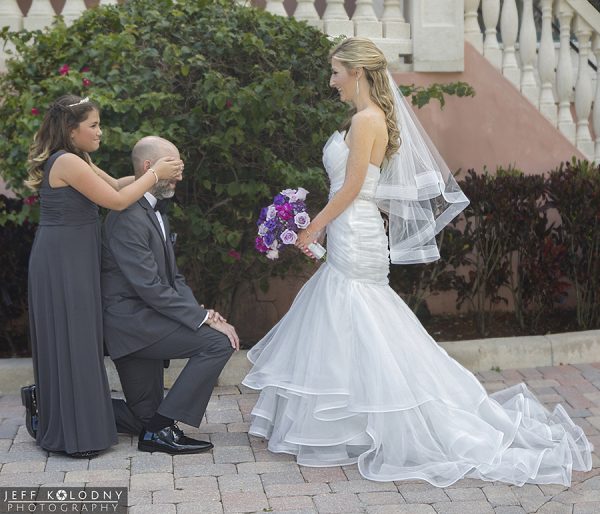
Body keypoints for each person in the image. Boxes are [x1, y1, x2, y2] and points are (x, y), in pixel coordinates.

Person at [242, 38, 593, 486]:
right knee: (346, 315)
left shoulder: (367, 120)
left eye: (335, 72)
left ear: (358, 73)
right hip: (353, 225)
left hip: (354, 223)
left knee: (357, 311)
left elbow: (351, 188)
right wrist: (320, 224)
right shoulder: (368, 119)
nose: (331, 81)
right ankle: (349, 420)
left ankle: (384, 415)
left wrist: (315, 228)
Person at [24, 95, 183, 458]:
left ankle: (55, 410)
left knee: (80, 339)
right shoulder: (65, 161)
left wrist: (156, 173)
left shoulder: (79, 160)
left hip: (74, 260)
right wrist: (155, 175)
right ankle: (68, 428)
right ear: (71, 129)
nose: (100, 131)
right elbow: (119, 201)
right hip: (62, 264)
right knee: (73, 339)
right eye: (93, 125)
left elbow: (116, 185)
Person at [101, 136, 240, 455]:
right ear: (149, 167)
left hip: (147, 320)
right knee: (218, 343)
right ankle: (159, 432)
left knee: (142, 417)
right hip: (134, 325)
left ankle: (56, 404)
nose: (179, 174)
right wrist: (203, 320)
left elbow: (172, 278)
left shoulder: (152, 211)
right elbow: (149, 286)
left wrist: (202, 313)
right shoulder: (127, 216)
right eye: (173, 167)